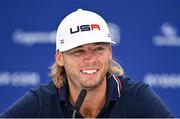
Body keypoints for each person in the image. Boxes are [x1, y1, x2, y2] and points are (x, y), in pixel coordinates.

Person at [0, 9, 174, 118]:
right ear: (60, 58)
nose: (90, 59)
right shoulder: (41, 102)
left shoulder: (136, 97)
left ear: (109, 53)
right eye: (78, 51)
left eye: (99, 48)